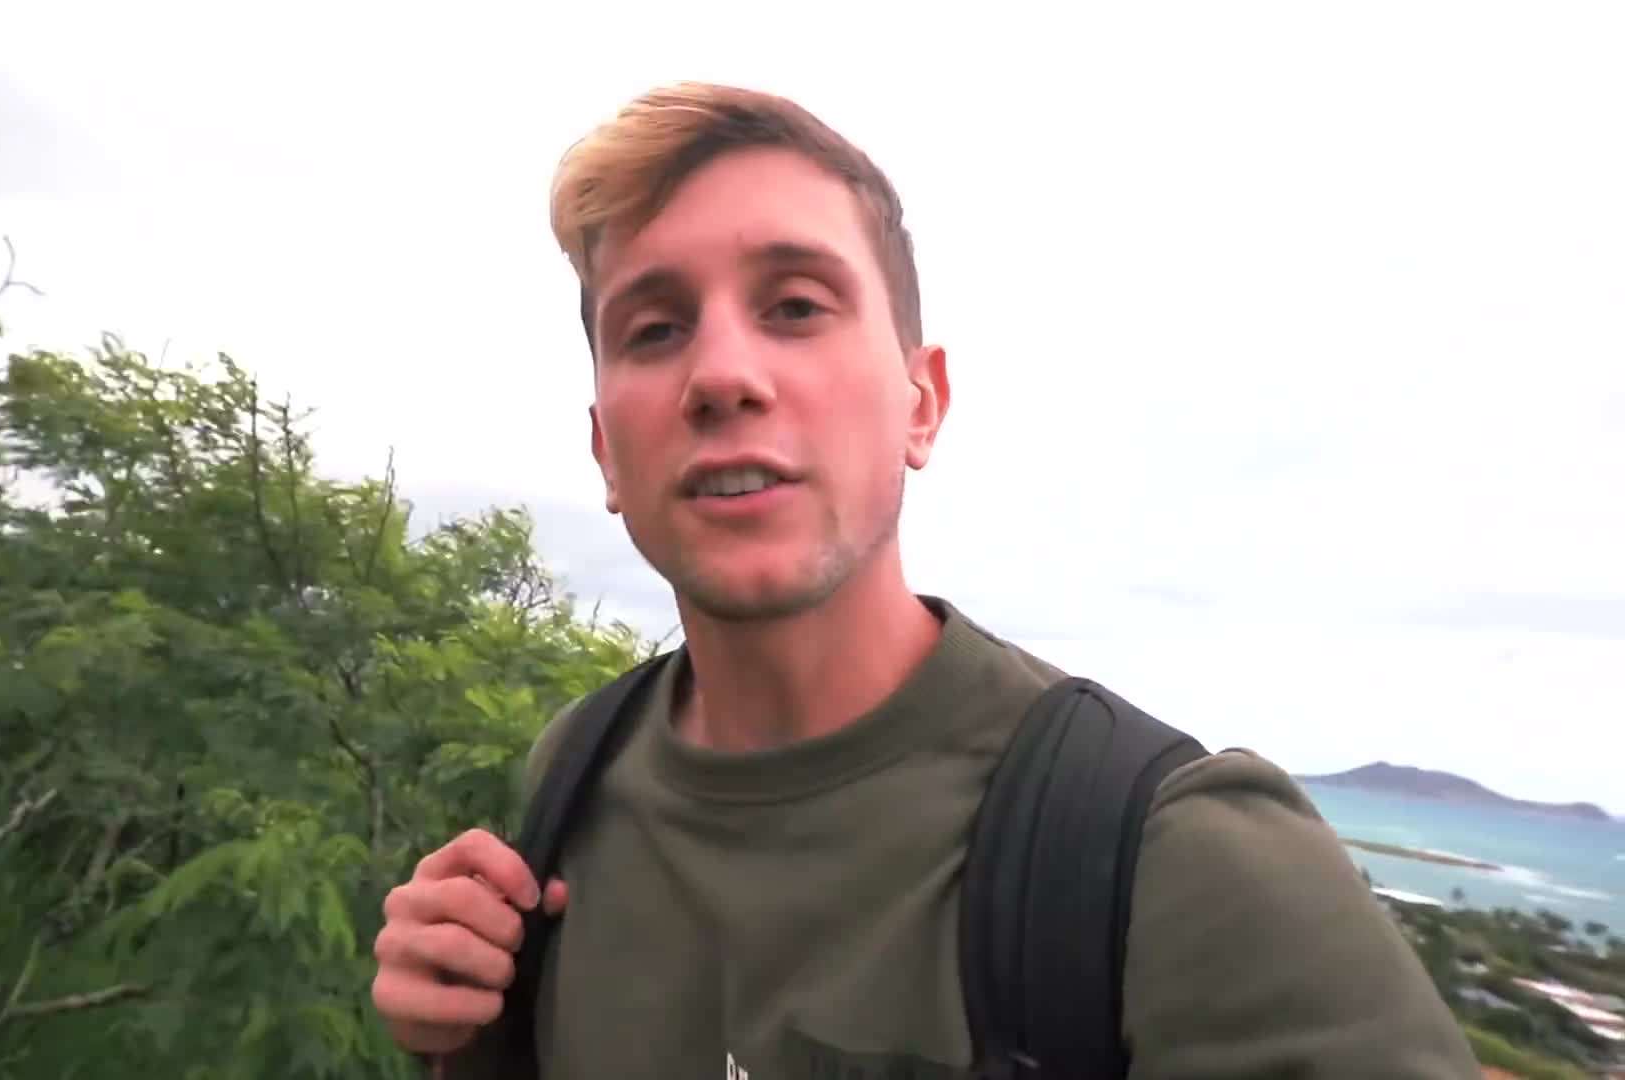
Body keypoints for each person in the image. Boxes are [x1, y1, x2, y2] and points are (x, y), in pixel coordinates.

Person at [370, 82, 1480, 1079]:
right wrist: (468, 1042)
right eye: (655, 329)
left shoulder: (1175, 863)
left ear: (921, 402)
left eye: (796, 305)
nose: (721, 374)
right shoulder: (577, 775)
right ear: (610, 452)